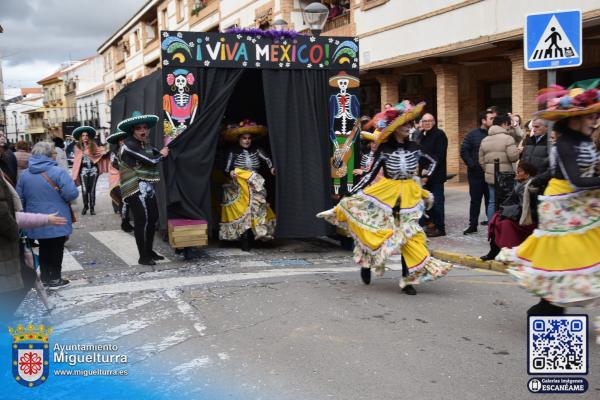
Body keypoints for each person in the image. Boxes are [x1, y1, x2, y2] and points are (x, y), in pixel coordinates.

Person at [318, 101, 452, 295]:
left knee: (410, 236)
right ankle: (366, 263)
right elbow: (370, 175)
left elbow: (433, 161)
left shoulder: (415, 147)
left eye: (410, 124)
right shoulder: (384, 150)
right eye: (404, 124)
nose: (409, 127)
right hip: (386, 197)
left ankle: (408, 280)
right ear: (395, 128)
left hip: (409, 198)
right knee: (376, 232)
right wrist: (352, 194)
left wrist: (423, 177)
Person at [498, 80, 600, 316]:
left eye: (595, 116)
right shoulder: (565, 143)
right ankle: (547, 309)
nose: (594, 120)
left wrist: (537, 179)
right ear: (573, 120)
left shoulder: (585, 140)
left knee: (575, 257)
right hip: (563, 207)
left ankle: (549, 306)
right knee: (563, 258)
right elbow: (575, 180)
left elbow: (564, 171)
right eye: (589, 116)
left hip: (582, 204)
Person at [16, 141, 79, 289]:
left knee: (44, 247)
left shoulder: (25, 174)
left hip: (35, 218)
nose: (55, 155)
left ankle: (45, 277)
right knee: (57, 247)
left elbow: (19, 197)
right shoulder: (58, 172)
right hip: (57, 216)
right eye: (54, 153)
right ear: (49, 155)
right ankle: (55, 278)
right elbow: (71, 193)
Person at [118, 111, 169, 266]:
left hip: (147, 185)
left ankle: (149, 251)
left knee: (153, 218)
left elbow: (153, 153)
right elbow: (151, 159)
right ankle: (143, 256)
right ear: (132, 130)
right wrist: (162, 154)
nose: (143, 131)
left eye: (145, 127)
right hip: (134, 187)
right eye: (138, 128)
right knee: (143, 220)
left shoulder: (145, 144)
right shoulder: (129, 145)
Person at [219, 120, 276, 251]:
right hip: (238, 185)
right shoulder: (233, 151)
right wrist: (232, 172)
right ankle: (243, 239)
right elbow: (226, 169)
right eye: (244, 138)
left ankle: (257, 236)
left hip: (255, 184)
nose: (247, 141)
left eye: (249, 138)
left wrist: (272, 168)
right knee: (243, 211)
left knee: (257, 210)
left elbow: (268, 161)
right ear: (239, 139)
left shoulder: (257, 150)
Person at [481, 162, 538, 261]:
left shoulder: (531, 187)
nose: (517, 173)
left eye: (519, 171)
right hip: (519, 215)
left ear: (527, 174)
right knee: (497, 218)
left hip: (528, 219)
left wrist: (511, 213)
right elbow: (511, 202)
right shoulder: (520, 185)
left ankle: (503, 251)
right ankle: (494, 250)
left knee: (504, 223)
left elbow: (531, 209)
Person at [478, 114, 519, 222]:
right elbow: (513, 157)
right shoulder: (508, 138)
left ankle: (491, 226)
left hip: (491, 176)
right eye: (508, 125)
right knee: (506, 200)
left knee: (491, 201)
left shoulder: (485, 139)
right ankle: (504, 225)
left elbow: (481, 160)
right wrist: (518, 152)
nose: (509, 127)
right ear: (504, 124)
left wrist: (488, 171)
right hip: (506, 176)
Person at [460, 110, 494, 234]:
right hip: (476, 174)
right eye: (491, 118)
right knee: (475, 200)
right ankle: (472, 224)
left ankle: (492, 226)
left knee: (491, 200)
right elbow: (464, 151)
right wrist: (472, 165)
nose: (493, 121)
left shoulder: (495, 135)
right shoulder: (472, 134)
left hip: (491, 173)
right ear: (483, 121)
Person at [417, 113, 448, 237]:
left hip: (436, 175)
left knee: (437, 202)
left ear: (434, 122)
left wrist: (428, 174)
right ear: (421, 123)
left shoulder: (439, 135)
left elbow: (438, 157)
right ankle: (431, 225)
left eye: (430, 121)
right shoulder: (422, 135)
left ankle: (440, 228)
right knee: (426, 202)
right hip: (424, 175)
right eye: (425, 121)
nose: (427, 123)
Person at [71, 126, 109, 215]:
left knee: (92, 190)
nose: (85, 137)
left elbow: (100, 153)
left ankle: (92, 208)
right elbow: (76, 161)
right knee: (84, 190)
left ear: (89, 137)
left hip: (93, 170)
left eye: (87, 135)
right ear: (80, 137)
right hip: (83, 170)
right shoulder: (77, 147)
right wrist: (75, 173)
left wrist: (104, 151)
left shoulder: (93, 145)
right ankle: (85, 206)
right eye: (83, 135)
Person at [106, 130, 133, 232]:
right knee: (124, 200)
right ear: (118, 142)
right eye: (121, 140)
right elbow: (115, 165)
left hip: (127, 179)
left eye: (124, 139)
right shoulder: (114, 153)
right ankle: (125, 223)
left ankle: (126, 222)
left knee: (126, 201)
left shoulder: (130, 151)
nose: (122, 141)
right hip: (117, 180)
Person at [520, 118, 551, 189]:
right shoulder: (529, 140)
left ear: (546, 128)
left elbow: (551, 166)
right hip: (527, 181)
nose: (533, 129)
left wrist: (540, 179)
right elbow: (523, 159)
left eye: (537, 127)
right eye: (533, 127)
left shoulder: (550, 143)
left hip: (542, 183)